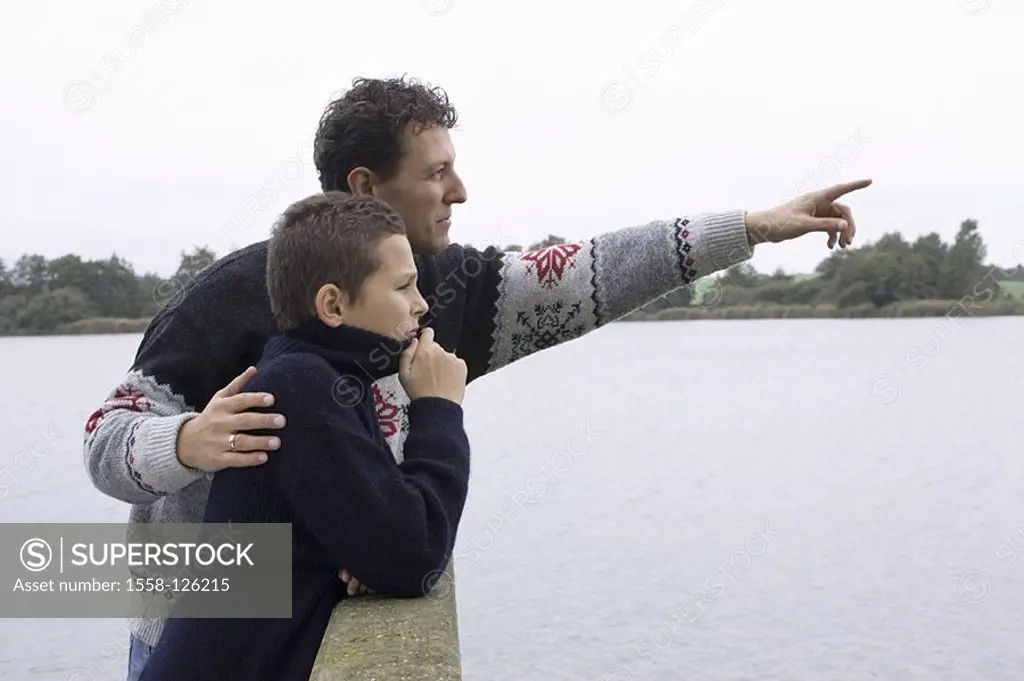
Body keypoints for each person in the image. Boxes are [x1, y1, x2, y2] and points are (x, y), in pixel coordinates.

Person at [82, 75, 871, 681]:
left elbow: (586, 273)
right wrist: (187, 438)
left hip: (313, 620)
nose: (460, 191)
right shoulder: (228, 298)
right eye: (438, 173)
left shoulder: (439, 290)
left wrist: (753, 228)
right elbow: (104, 440)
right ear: (363, 187)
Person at [138, 191, 471, 681]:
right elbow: (417, 556)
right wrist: (438, 409)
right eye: (403, 287)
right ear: (333, 304)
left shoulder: (324, 377)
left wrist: (364, 549)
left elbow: (393, 537)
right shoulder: (302, 387)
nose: (421, 305)